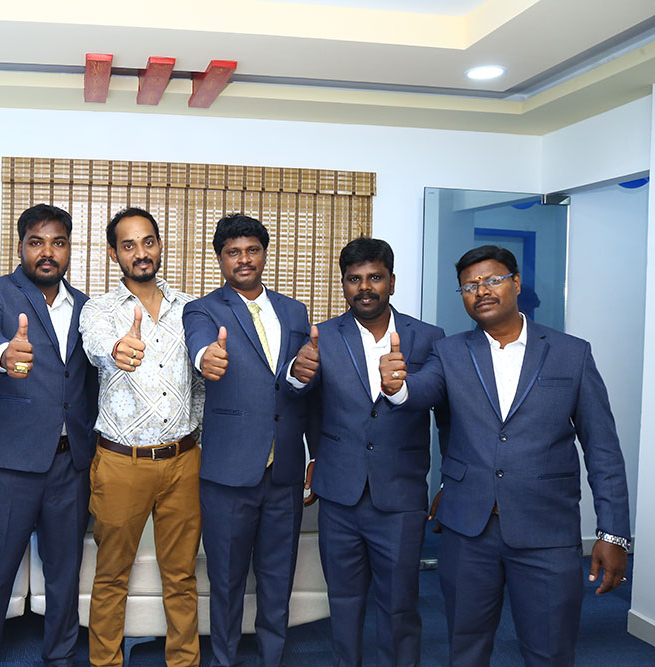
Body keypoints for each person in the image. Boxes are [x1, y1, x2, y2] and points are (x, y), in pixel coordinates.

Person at [380, 245, 631, 666]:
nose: (481, 291)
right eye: (469, 286)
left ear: (515, 283)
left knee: (549, 650)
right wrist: (397, 387)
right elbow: (422, 390)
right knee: (466, 648)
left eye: (492, 280)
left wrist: (613, 533)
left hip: (546, 530)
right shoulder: (450, 352)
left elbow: (603, 449)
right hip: (468, 529)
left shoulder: (571, 353)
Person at [289, 237, 445, 666]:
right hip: (340, 495)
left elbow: (441, 401)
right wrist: (297, 374)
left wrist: (402, 389)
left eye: (375, 277)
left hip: (400, 495)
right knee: (343, 602)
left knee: (399, 605)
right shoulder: (322, 336)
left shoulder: (428, 337)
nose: (365, 287)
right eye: (354, 279)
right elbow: (301, 397)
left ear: (392, 282)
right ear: (344, 284)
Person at [0, 204, 97, 667]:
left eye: (57, 243)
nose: (47, 252)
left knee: (65, 575)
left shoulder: (86, 307)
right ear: (20, 245)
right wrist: (3, 354)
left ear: (69, 249)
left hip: (69, 465)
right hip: (8, 466)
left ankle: (59, 657)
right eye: (36, 242)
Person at [181, 214, 310, 667]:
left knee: (278, 579)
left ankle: (273, 658)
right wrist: (206, 357)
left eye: (252, 250)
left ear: (264, 254)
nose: (244, 259)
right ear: (220, 259)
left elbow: (297, 383)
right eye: (233, 252)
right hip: (228, 472)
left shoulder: (294, 311)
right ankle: (224, 660)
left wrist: (301, 376)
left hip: (285, 470)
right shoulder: (202, 310)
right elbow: (200, 347)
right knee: (227, 580)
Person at [80, 207, 204, 667]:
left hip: (183, 461)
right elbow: (96, 346)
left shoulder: (192, 308)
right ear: (114, 254)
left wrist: (197, 434)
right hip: (121, 463)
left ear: (159, 245)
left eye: (147, 241)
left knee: (182, 577)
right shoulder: (98, 309)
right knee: (111, 576)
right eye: (128, 245)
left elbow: (201, 382)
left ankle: (184, 662)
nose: (140, 252)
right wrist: (118, 348)